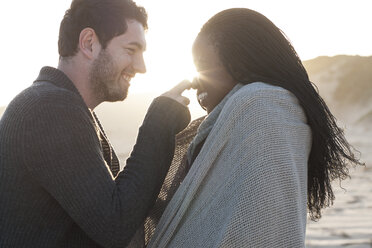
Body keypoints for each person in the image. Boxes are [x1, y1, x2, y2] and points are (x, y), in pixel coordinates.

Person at [144, 8, 364, 247]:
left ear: (239, 63)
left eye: (203, 65)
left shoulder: (262, 107)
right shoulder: (232, 122)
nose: (195, 80)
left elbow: (259, 229)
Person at [0, 0, 192, 247]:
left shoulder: (62, 105)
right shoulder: (50, 108)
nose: (141, 67)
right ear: (89, 43)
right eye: (131, 49)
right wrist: (160, 120)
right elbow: (115, 224)